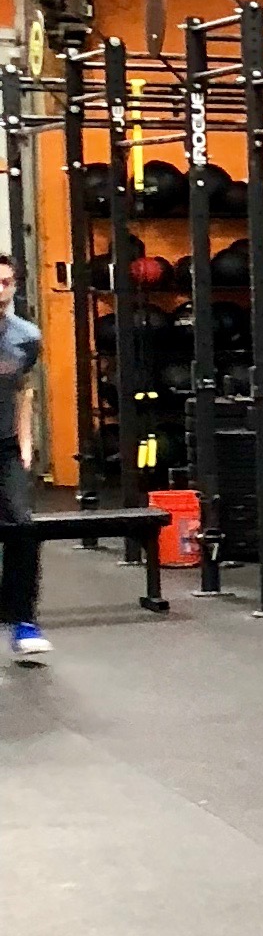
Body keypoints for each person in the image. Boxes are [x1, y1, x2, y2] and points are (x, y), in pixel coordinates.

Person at [0, 247, 45, 666]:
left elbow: (24, 391)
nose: (0, 290)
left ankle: (24, 621)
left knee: (23, 528)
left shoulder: (26, 336)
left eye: (5, 282)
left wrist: (26, 443)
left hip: (5, 448)